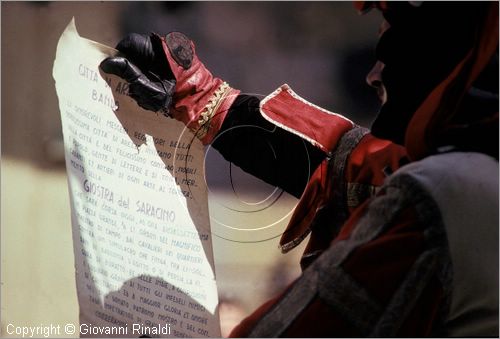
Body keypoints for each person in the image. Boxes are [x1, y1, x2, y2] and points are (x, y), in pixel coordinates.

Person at [101, 2, 499, 336]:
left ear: (442, 49)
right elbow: (348, 161)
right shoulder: (475, 177)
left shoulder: (441, 195)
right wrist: (202, 97)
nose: (373, 74)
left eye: (390, 38)